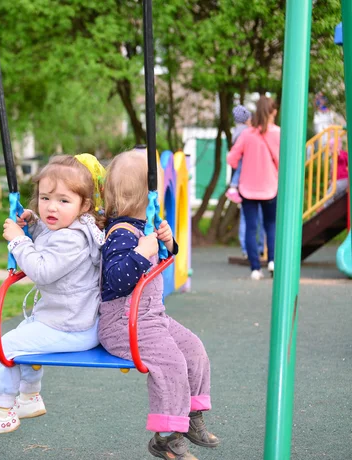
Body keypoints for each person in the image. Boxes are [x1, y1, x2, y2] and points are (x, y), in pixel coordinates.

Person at [0, 154, 106, 438]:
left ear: (84, 205)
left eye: (64, 201)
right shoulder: (73, 228)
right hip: (71, 320)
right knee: (25, 333)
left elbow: (42, 269)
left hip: (72, 326)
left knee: (9, 345)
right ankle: (29, 398)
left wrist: (18, 240)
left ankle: (1, 412)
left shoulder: (71, 238)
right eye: (45, 198)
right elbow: (49, 238)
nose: (52, 207)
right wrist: (34, 224)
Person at [99, 148, 218, 460]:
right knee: (170, 363)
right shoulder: (120, 234)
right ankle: (166, 435)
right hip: (123, 323)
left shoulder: (143, 228)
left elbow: (165, 261)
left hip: (153, 318)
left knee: (193, 348)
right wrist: (141, 251)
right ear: (143, 196)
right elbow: (115, 280)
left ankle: (191, 417)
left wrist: (167, 242)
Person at [227, 96, 280, 280]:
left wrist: (243, 163)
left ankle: (255, 269)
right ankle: (272, 261)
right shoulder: (278, 133)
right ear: (273, 111)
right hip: (270, 187)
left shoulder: (247, 134)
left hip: (248, 188)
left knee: (251, 227)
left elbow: (231, 158)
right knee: (271, 225)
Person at [225, 105, 266, 259]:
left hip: (244, 182)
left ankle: (245, 248)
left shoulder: (237, 132)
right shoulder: (247, 133)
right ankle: (261, 247)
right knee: (261, 217)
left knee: (246, 217)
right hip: (254, 179)